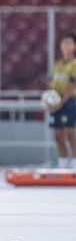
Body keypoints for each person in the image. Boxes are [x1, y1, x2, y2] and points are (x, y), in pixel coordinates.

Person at [47, 33, 76, 168]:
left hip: (70, 102)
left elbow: (72, 85)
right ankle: (63, 163)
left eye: (69, 43)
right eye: (64, 43)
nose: (66, 46)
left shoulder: (74, 64)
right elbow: (51, 83)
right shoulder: (57, 64)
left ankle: (75, 162)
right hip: (57, 103)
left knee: (71, 133)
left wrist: (61, 102)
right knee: (58, 134)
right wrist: (51, 102)